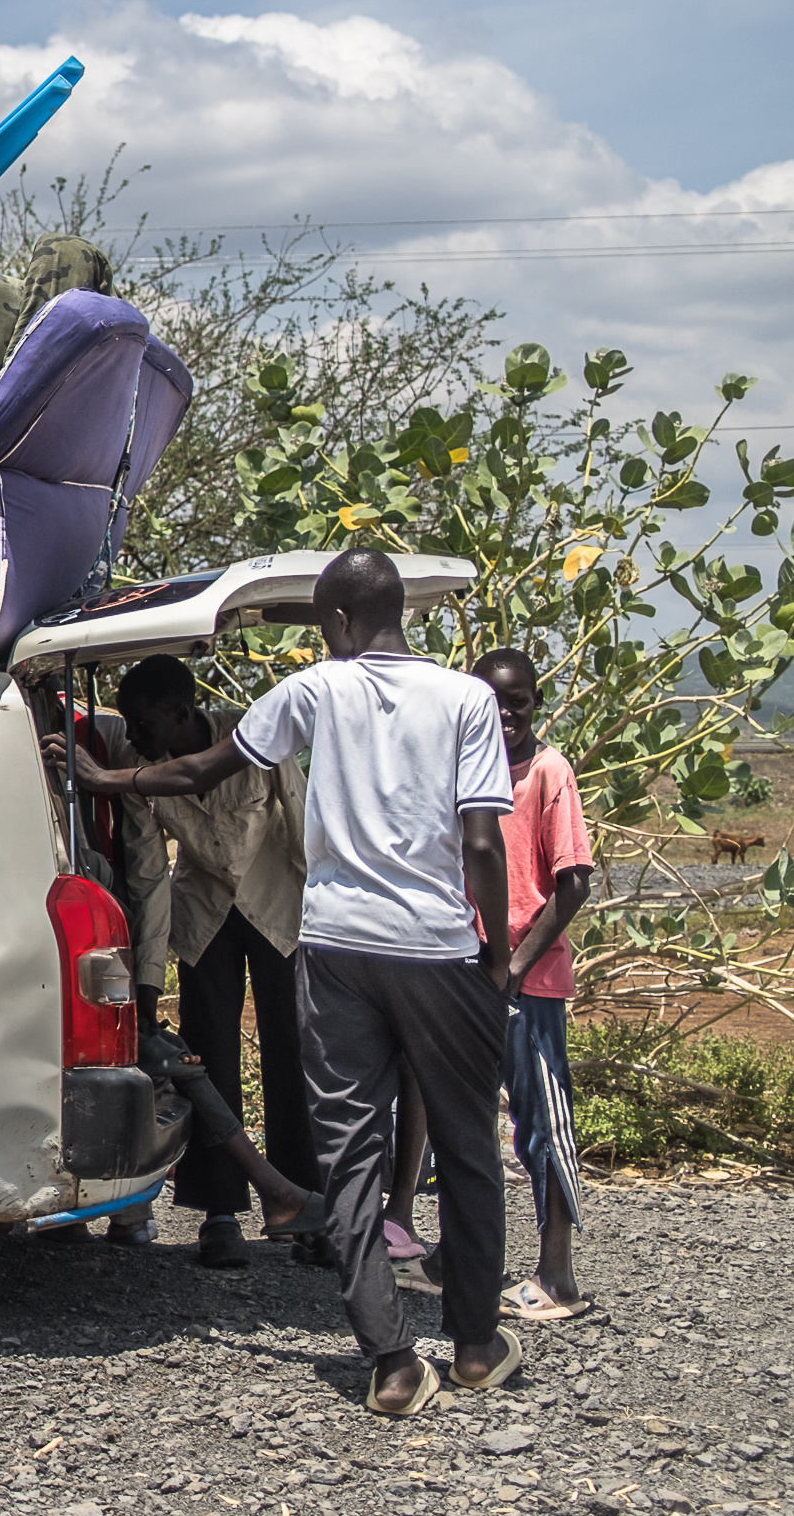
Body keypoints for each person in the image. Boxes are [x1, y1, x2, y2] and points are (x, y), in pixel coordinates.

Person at [47, 549, 519, 1417]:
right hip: (434, 949)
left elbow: (202, 775)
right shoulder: (467, 700)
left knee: (344, 1149)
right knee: (466, 1144)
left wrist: (107, 778)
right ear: (398, 612)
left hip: (329, 941)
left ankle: (389, 1358)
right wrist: (496, 952)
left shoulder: (310, 693)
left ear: (335, 622)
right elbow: (484, 843)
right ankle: (478, 1345)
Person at [95, 654, 325, 1269]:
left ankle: (309, 1208)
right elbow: (147, 877)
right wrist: (148, 979)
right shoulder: (136, 770)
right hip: (204, 915)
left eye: (143, 724)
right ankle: (220, 1212)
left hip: (277, 903)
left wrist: (328, 922)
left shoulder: (253, 733)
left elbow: (303, 824)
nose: (134, 737)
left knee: (291, 1055)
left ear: (181, 713)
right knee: (208, 1057)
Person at [477, 647, 594, 1323]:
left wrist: (515, 968)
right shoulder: (474, 775)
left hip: (531, 981)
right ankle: (465, 1257)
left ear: (536, 702)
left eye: (516, 699)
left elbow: (572, 882)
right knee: (465, 1124)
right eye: (491, 700)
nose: (505, 711)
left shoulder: (548, 772)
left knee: (543, 1125)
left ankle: (558, 1274)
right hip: (475, 973)